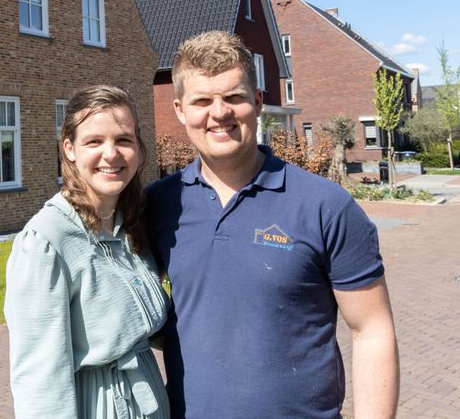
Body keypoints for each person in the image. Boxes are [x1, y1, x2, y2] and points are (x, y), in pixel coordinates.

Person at [145, 31, 399, 419]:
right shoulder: (160, 204)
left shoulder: (324, 206)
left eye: (234, 97)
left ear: (258, 102)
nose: (219, 113)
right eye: (202, 101)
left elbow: (372, 331)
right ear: (180, 110)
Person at [5, 85, 169, 419]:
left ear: (138, 147)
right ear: (69, 148)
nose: (111, 154)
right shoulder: (45, 242)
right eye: (94, 141)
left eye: (123, 139)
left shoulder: (132, 223)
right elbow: (39, 381)